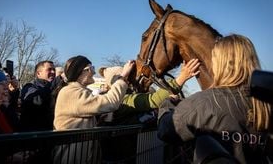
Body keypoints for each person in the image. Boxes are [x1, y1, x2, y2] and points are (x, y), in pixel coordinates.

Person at [157, 34, 272, 164]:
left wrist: (168, 103)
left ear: (220, 63)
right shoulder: (266, 104)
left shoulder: (203, 103)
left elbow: (166, 130)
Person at [52, 55, 134, 164]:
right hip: (72, 158)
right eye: (92, 68)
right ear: (82, 71)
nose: (94, 73)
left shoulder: (78, 91)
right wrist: (123, 76)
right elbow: (110, 102)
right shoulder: (70, 92)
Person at [97, 58, 200, 126]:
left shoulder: (113, 99)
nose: (130, 82)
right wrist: (182, 78)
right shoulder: (123, 100)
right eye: (126, 78)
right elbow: (152, 100)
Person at [20, 60, 56, 131]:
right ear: (38, 73)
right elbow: (37, 100)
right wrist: (51, 84)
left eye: (54, 70)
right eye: (49, 69)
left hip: (50, 134)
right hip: (33, 135)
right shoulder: (29, 87)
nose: (53, 72)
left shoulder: (55, 88)